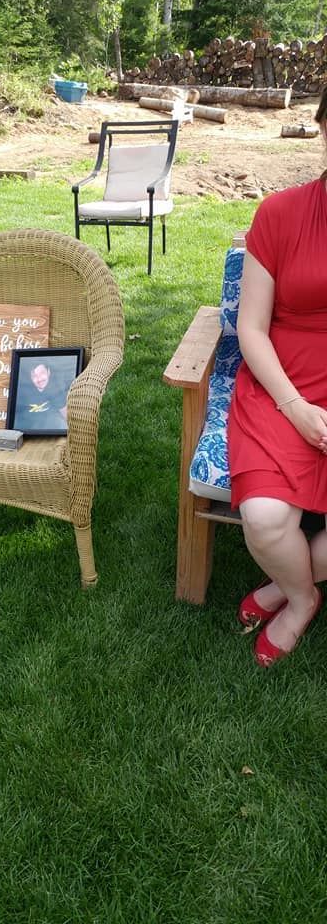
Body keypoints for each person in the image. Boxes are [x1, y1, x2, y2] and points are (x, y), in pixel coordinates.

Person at [227, 87, 327, 667]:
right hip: (281, 385)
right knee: (265, 519)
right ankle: (303, 597)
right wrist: (296, 407)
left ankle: (283, 587)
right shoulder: (281, 214)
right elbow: (251, 328)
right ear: (322, 127)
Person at [13, 361, 70, 432]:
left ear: (48, 372)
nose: (39, 379)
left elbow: (66, 415)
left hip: (50, 429)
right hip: (26, 430)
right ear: (30, 377)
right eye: (34, 376)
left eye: (42, 373)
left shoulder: (56, 390)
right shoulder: (22, 392)